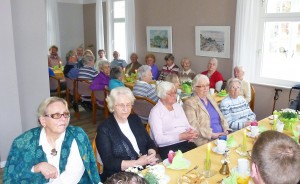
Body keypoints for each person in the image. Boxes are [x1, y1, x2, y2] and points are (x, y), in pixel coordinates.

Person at [3, 97, 100, 183]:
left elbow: (72, 176)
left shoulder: (77, 136)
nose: (63, 119)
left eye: (66, 114)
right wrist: (37, 168)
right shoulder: (23, 142)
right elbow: (12, 177)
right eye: (56, 115)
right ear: (43, 121)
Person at [96, 87, 158, 181]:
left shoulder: (135, 119)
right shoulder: (104, 129)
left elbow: (149, 142)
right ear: (112, 106)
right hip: (119, 177)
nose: (125, 109)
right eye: (121, 105)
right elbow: (109, 162)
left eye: (128, 104)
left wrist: (151, 154)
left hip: (143, 170)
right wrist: (137, 163)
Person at [149, 81, 198, 160]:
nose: (174, 95)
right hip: (168, 147)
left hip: (186, 142)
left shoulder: (178, 106)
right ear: (162, 95)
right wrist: (180, 137)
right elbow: (159, 139)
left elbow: (187, 125)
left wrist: (192, 131)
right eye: (170, 94)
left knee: (199, 157)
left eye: (175, 93)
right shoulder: (156, 111)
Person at [183, 74, 229, 146]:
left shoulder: (210, 98)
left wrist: (226, 129)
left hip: (222, 137)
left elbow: (221, 116)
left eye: (207, 85)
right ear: (194, 88)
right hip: (205, 141)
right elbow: (193, 127)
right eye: (202, 86)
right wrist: (212, 135)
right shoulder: (189, 103)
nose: (206, 88)